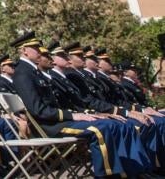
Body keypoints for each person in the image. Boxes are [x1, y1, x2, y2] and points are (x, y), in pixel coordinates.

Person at [10, 32, 150, 177]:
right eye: (35, 48)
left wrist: (83, 114)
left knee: (112, 124)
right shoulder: (23, 73)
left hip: (57, 121)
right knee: (99, 130)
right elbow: (38, 110)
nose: (40, 51)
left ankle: (130, 173)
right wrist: (73, 115)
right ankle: (107, 175)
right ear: (24, 50)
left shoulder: (33, 71)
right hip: (48, 126)